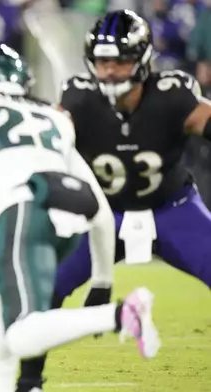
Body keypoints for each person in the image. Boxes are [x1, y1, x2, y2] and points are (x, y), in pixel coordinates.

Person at [0, 45, 160, 392]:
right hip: (69, 217)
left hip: (25, 210)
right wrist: (101, 278)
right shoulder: (53, 116)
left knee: (21, 334)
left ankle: (122, 315)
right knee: (0, 299)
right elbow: (97, 203)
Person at [17, 10, 211, 391]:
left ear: (142, 61)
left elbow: (203, 117)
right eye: (103, 61)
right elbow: (54, 136)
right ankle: (29, 382)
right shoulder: (79, 97)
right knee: (45, 286)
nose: (109, 71)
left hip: (172, 208)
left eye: (120, 61)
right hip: (105, 217)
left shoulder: (173, 95)